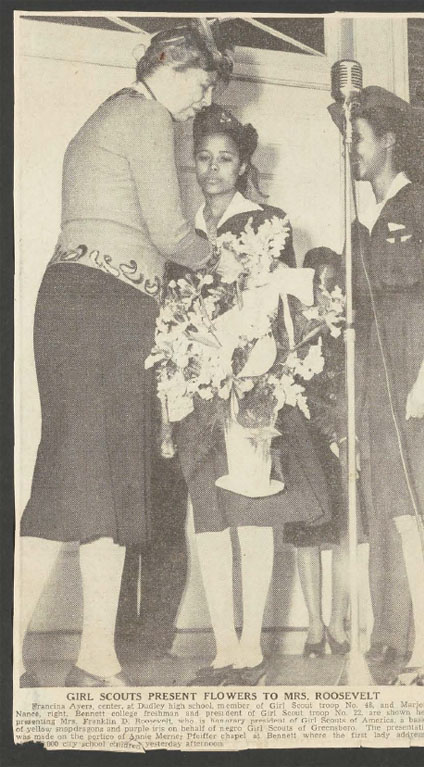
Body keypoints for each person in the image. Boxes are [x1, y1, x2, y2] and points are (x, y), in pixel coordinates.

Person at [17, 23, 233, 688]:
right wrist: (226, 260)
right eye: (202, 82)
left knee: (104, 491)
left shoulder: (112, 112)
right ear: (171, 65)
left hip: (96, 306)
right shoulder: (145, 116)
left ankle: (96, 655)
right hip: (99, 309)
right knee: (68, 486)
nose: (203, 99)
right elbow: (171, 233)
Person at [170, 105, 333, 685]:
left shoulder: (268, 221)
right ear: (192, 163)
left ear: (243, 167)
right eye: (204, 158)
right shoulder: (181, 231)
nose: (213, 169)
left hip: (253, 385)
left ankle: (253, 648)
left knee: (254, 512)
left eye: (225, 159)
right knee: (209, 516)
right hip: (195, 391)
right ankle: (222, 650)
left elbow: (283, 308)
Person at [331, 86, 424, 681]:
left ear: (389, 141)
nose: (351, 149)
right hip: (373, 372)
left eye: (358, 137)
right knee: (386, 507)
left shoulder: (420, 203)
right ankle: (396, 639)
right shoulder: (360, 217)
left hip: (411, 366)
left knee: (418, 507)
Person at [283, 247, 353, 658]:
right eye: (318, 281)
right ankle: (313, 625)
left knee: (346, 532)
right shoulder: (290, 326)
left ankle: (338, 622)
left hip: (340, 437)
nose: (325, 288)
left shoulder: (346, 327)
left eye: (332, 281)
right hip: (304, 439)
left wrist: (346, 435)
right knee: (306, 535)